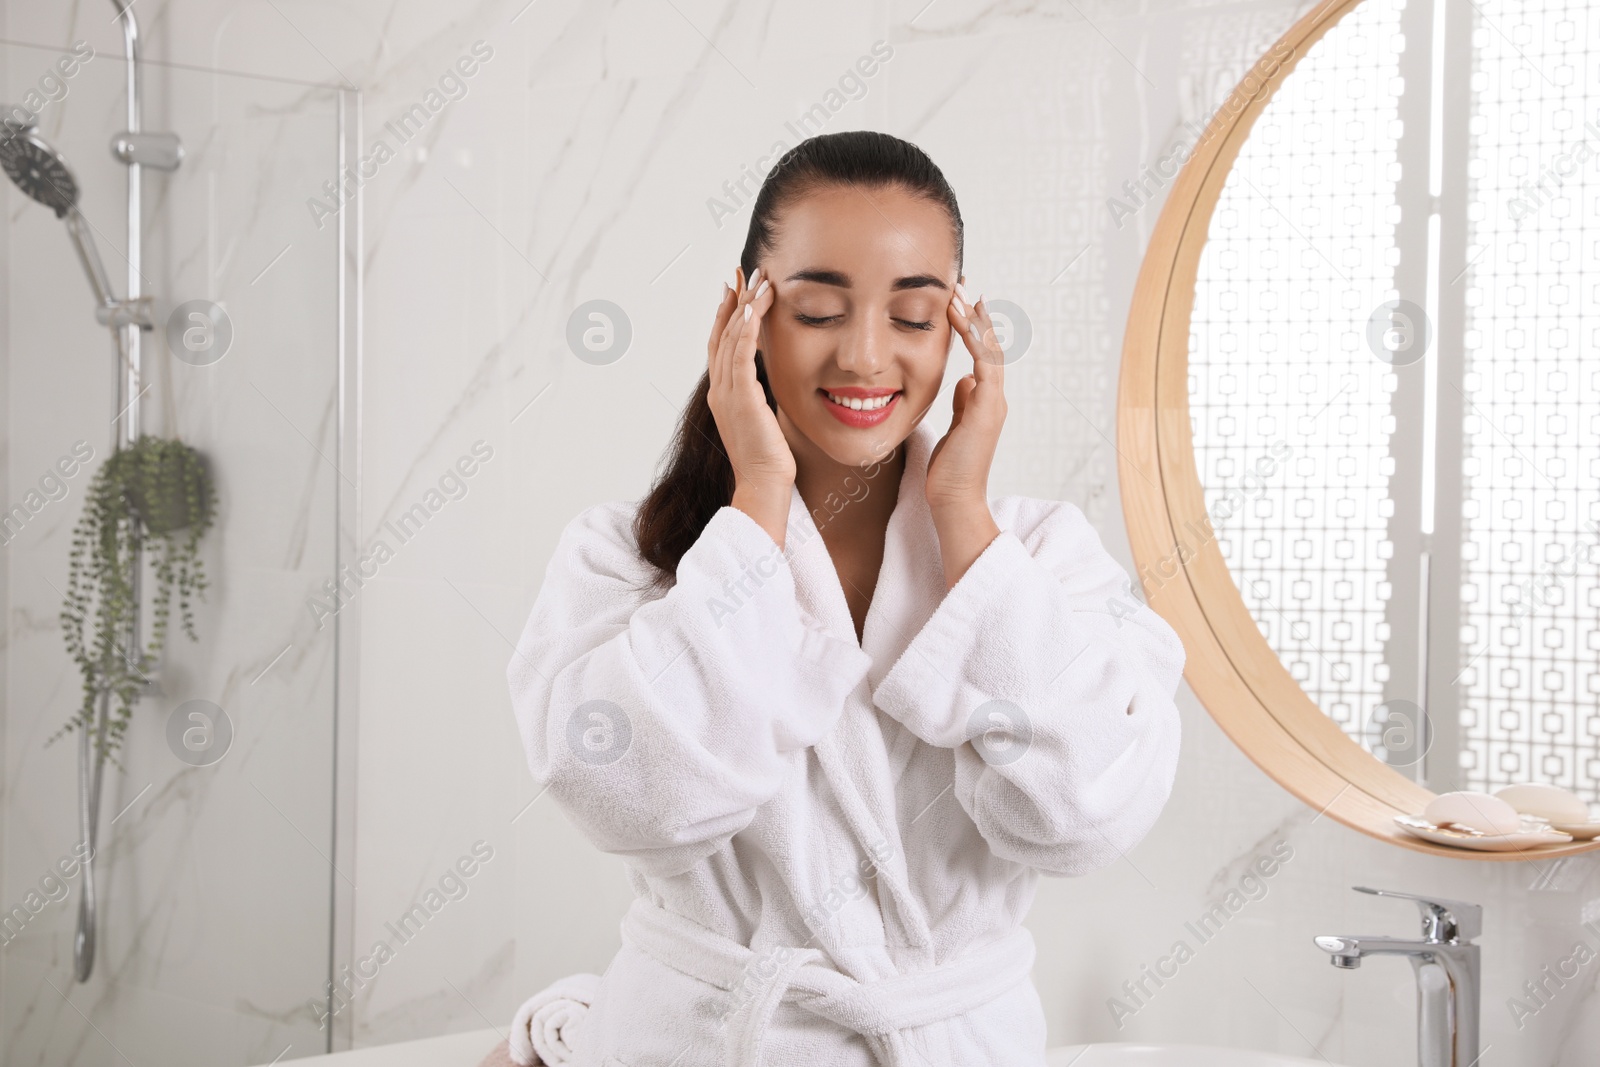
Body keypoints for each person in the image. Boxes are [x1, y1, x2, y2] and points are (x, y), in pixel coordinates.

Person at [505, 130, 1185, 1067]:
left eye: (912, 319)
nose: (867, 357)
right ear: (743, 319)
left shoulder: (1038, 557)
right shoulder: (628, 555)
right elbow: (626, 801)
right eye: (820, 309)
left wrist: (963, 517)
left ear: (958, 335)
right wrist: (754, 505)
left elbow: (1086, 815)